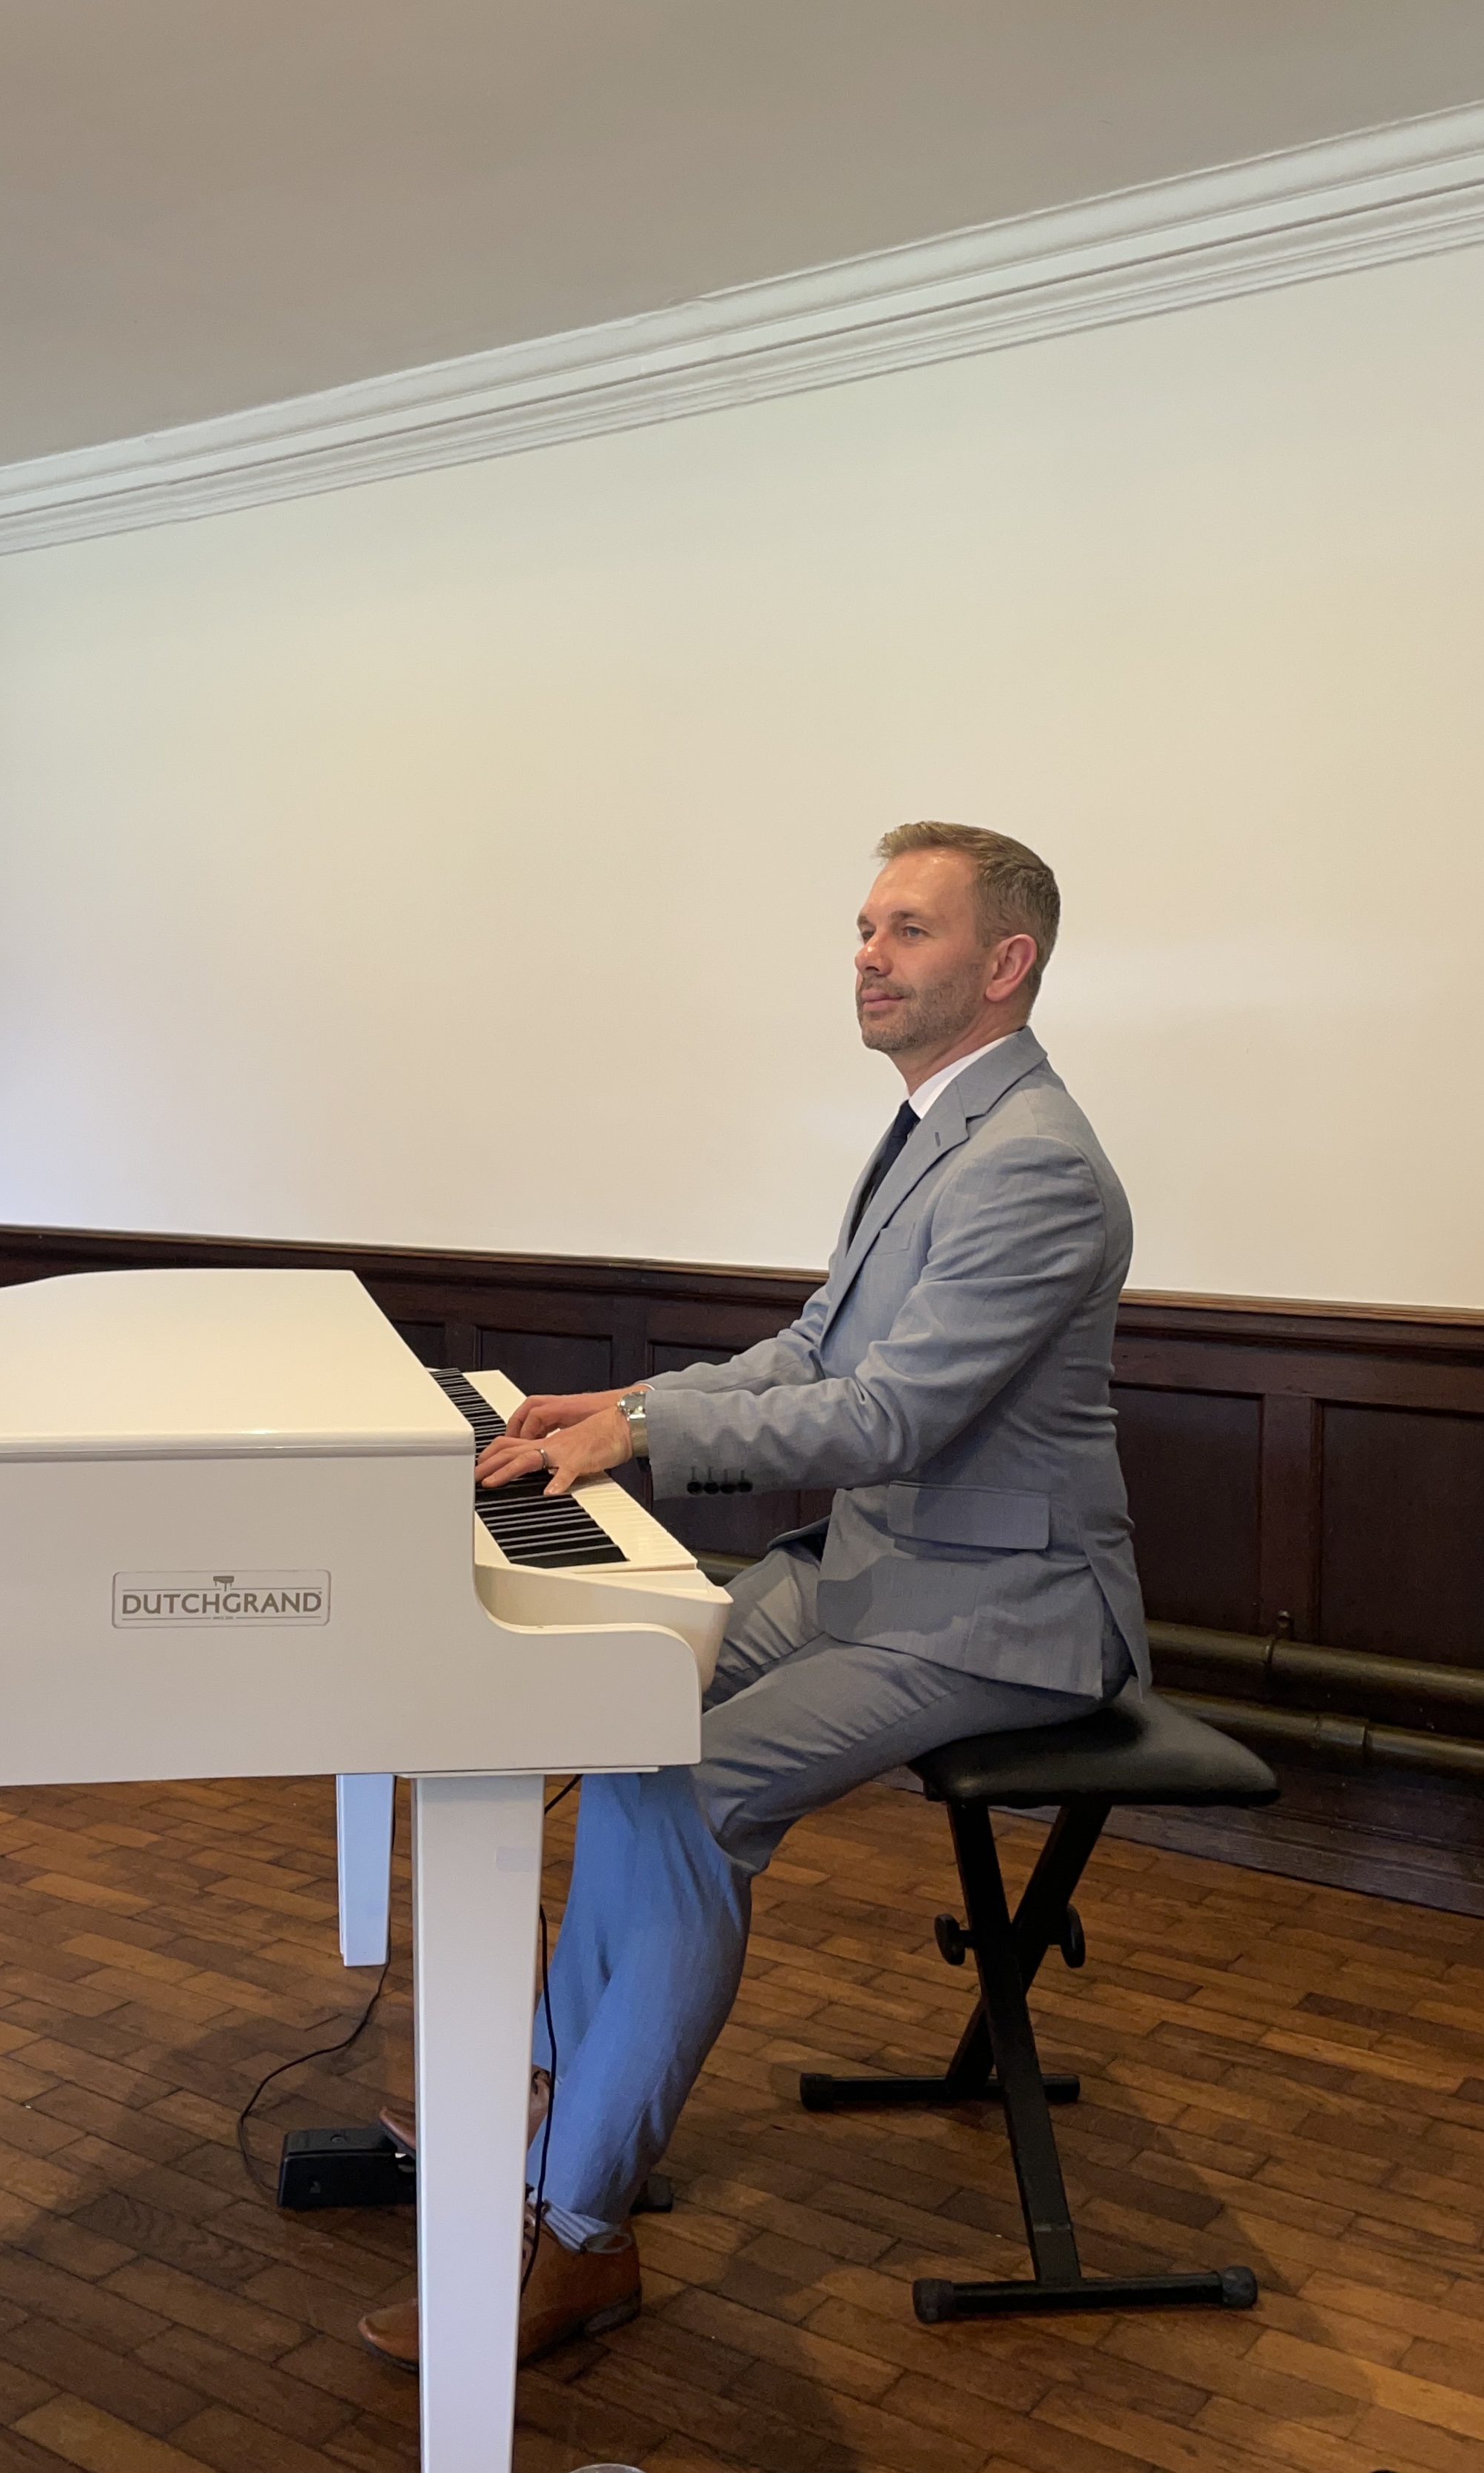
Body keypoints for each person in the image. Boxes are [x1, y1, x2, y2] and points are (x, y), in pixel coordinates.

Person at [359, 819, 1149, 2368]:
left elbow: (888, 1420)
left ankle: (576, 2231)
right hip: (880, 1572)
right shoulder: (935, 1130)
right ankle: (548, 2099)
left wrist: (643, 1437)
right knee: (626, 1697)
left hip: (1002, 1607)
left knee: (690, 1786)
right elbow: (809, 1355)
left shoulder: (1035, 1167)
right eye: (863, 926)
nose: (865, 955)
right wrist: (612, 1406)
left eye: (906, 930)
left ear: (1006, 963)